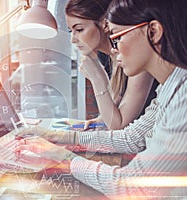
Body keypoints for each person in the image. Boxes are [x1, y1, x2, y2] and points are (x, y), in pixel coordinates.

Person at [16, 0, 187, 198]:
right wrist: (61, 138)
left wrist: (62, 157)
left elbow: (132, 186)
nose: (113, 49)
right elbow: (129, 138)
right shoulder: (170, 89)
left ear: (153, 31)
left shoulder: (182, 99)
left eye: (117, 38)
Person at [65, 0, 158, 129]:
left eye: (79, 29)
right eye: (70, 31)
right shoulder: (104, 55)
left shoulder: (136, 54)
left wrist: (96, 78)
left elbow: (118, 124)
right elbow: (114, 107)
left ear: (105, 23)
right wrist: (100, 120)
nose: (73, 39)